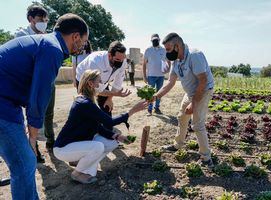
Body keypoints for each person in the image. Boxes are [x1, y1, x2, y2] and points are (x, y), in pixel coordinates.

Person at [0, 13, 89, 199]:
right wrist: (33, 137)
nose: (83, 46)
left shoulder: (46, 42)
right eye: (83, 41)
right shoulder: (52, 49)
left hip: (9, 102)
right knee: (25, 164)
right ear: (75, 36)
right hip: (3, 103)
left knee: (23, 162)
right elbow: (39, 96)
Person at [54, 69, 147, 184]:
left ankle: (86, 170)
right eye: (98, 82)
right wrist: (131, 111)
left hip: (76, 144)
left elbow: (97, 127)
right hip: (63, 148)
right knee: (97, 147)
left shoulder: (88, 101)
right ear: (90, 84)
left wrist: (116, 136)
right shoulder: (84, 103)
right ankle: (77, 173)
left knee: (112, 141)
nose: (100, 85)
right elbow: (109, 122)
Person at [153, 33, 215, 169]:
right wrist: (155, 96)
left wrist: (193, 104)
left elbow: (203, 81)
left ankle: (206, 158)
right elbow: (170, 83)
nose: (167, 53)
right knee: (182, 117)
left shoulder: (194, 56)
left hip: (203, 91)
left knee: (197, 124)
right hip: (191, 92)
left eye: (168, 49)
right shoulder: (176, 60)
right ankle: (178, 145)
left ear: (177, 46)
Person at [15, 4, 51, 163]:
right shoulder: (21, 35)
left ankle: (45, 143)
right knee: (28, 116)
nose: (43, 22)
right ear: (30, 19)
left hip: (42, 80)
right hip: (26, 82)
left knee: (44, 114)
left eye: (45, 20)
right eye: (40, 19)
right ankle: (32, 150)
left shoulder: (46, 36)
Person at [76, 41, 131, 130]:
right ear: (109, 55)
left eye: (122, 59)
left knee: (107, 108)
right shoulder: (95, 62)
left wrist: (110, 99)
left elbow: (117, 83)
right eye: (117, 60)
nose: (120, 62)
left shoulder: (122, 61)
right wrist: (116, 94)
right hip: (85, 79)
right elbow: (97, 91)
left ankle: (107, 129)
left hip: (103, 82)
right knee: (87, 107)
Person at [143, 34, 169, 115]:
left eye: (156, 40)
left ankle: (157, 108)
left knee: (159, 92)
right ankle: (149, 109)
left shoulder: (163, 50)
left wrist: (167, 69)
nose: (155, 41)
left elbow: (168, 61)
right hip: (151, 76)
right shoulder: (148, 50)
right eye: (153, 40)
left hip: (161, 76)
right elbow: (144, 64)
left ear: (159, 40)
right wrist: (144, 76)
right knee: (150, 93)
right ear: (151, 41)